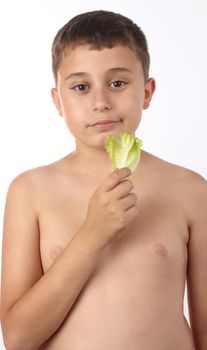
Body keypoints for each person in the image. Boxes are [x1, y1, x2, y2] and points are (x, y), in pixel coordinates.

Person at [1, 9, 207, 350]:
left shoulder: (191, 190)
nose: (100, 102)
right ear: (58, 101)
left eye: (118, 83)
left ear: (147, 91)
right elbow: (18, 338)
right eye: (81, 87)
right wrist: (91, 236)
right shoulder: (30, 191)